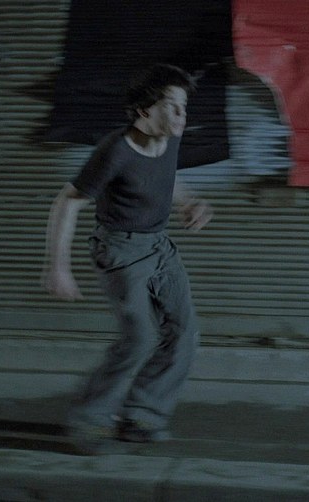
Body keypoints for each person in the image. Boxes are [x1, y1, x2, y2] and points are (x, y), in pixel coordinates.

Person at [43, 64, 213, 450]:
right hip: (120, 251)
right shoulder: (115, 151)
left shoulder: (169, 137)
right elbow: (67, 202)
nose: (181, 115)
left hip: (159, 247)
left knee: (185, 332)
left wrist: (188, 202)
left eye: (184, 107)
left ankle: (143, 414)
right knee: (140, 338)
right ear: (144, 110)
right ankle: (89, 419)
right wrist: (58, 267)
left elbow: (165, 175)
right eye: (172, 106)